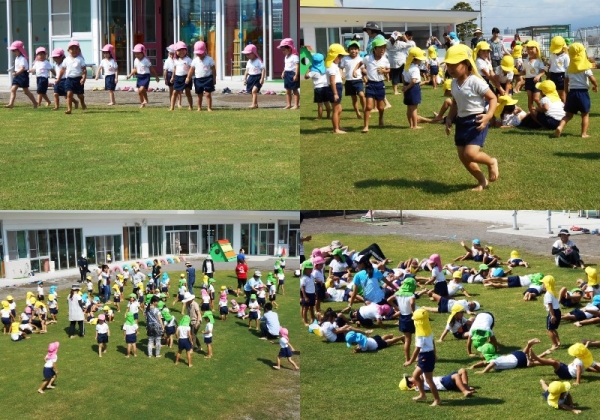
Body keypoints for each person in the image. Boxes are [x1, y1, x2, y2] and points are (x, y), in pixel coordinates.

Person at [444, 43, 499, 191]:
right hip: (461, 122)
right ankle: (482, 181)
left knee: (471, 153)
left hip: (477, 121)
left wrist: (488, 116)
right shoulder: (454, 83)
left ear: (467, 64)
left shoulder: (475, 81)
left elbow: (493, 98)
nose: (450, 69)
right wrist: (449, 118)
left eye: (454, 65)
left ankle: (491, 162)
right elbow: (455, 103)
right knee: (463, 156)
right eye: (448, 65)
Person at [554, 42, 598, 138]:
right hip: (583, 93)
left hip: (572, 93)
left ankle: (560, 127)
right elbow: (592, 79)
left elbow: (566, 81)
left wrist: (566, 92)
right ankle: (583, 133)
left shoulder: (569, 68)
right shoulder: (585, 67)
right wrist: (595, 85)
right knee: (585, 114)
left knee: (568, 115)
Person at [403, 308, 441, 406]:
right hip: (427, 355)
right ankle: (422, 395)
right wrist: (434, 353)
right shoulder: (428, 330)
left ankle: (437, 399)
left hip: (425, 356)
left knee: (429, 380)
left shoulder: (421, 335)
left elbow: (417, 349)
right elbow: (432, 343)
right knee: (415, 376)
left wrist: (410, 361)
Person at [530, 343, 600, 386]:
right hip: (567, 368)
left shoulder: (579, 361)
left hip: (567, 374)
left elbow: (578, 371)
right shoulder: (587, 359)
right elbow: (596, 367)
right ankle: (532, 363)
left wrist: (577, 382)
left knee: (554, 363)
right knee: (552, 360)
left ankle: (536, 358)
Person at [470, 339, 540, 373]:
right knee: (523, 353)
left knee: (533, 362)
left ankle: (544, 359)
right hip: (514, 355)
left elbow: (492, 363)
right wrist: (473, 366)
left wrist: (483, 371)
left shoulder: (493, 361)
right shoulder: (496, 356)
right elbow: (484, 363)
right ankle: (528, 345)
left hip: (517, 362)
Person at [56, 40, 87, 114]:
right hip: (69, 79)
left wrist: (83, 78)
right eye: (72, 49)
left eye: (76, 49)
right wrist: (58, 79)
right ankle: (69, 109)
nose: (74, 50)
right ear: (68, 50)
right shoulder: (66, 60)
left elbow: (84, 70)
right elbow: (62, 70)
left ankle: (82, 102)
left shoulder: (80, 59)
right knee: (69, 94)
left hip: (78, 79)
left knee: (80, 95)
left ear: (79, 50)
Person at [184, 40, 215, 112]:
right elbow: (191, 70)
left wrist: (214, 78)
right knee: (199, 94)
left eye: (200, 53)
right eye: (197, 54)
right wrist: (188, 77)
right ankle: (199, 107)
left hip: (208, 78)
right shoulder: (195, 61)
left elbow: (213, 70)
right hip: (198, 79)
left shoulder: (209, 59)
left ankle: (209, 107)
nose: (199, 55)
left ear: (205, 51)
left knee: (207, 94)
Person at [5, 40, 37, 108]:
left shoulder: (23, 58)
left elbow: (23, 68)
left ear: (19, 50)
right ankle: (11, 104)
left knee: (26, 91)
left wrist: (16, 73)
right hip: (17, 75)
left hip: (23, 75)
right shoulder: (17, 58)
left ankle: (35, 102)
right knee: (13, 89)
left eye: (14, 50)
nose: (13, 52)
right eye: (12, 51)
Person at [400, 368, 475, 397]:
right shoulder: (418, 387)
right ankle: (464, 391)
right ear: (412, 385)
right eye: (409, 378)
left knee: (462, 370)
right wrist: (418, 371)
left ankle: (465, 387)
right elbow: (421, 379)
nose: (411, 376)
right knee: (456, 376)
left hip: (443, 379)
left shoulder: (419, 379)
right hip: (443, 384)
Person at [127, 43, 159, 108]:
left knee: (142, 89)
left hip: (145, 76)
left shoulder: (146, 60)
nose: (137, 55)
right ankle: (142, 103)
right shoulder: (135, 60)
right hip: (139, 76)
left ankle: (146, 99)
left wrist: (156, 77)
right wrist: (130, 75)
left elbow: (151, 69)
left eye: (138, 53)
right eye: (135, 54)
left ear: (143, 53)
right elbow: (135, 69)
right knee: (139, 92)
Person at [325, 43, 348, 134]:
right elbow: (332, 81)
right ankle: (336, 129)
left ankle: (338, 126)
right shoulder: (331, 66)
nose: (341, 58)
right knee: (336, 109)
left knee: (339, 109)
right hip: (333, 88)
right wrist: (335, 93)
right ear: (335, 56)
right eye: (340, 56)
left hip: (337, 87)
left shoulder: (334, 65)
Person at [402, 47, 428, 129]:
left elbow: (402, 76)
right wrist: (408, 87)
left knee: (409, 108)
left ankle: (410, 124)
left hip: (407, 86)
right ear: (415, 59)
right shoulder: (415, 68)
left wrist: (405, 86)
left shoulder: (407, 66)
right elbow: (414, 81)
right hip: (413, 88)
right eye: (419, 59)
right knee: (414, 108)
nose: (421, 61)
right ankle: (415, 125)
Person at [340, 41, 365, 119]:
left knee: (361, 95)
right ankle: (357, 112)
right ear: (348, 50)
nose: (353, 51)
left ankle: (365, 111)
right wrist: (341, 74)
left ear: (358, 50)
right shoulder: (345, 59)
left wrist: (365, 76)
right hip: (349, 81)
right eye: (351, 49)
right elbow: (341, 68)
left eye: (355, 49)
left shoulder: (361, 59)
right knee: (354, 99)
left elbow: (363, 69)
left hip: (358, 80)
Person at [304, 53, 331, 120]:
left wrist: (308, 69)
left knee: (320, 104)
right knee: (327, 102)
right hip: (326, 86)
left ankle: (319, 117)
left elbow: (306, 77)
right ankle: (328, 116)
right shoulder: (326, 68)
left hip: (318, 88)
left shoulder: (313, 71)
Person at [522, 40, 545, 113]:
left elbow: (543, 71)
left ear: (536, 49)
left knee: (536, 99)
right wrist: (517, 73)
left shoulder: (539, 61)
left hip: (536, 81)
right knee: (530, 98)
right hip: (528, 81)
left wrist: (538, 76)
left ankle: (544, 109)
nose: (530, 50)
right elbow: (524, 71)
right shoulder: (525, 61)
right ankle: (532, 114)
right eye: (528, 49)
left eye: (532, 48)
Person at [541, 275, 562, 353]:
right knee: (553, 329)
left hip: (553, 312)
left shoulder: (548, 294)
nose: (542, 285)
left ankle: (554, 344)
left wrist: (552, 315)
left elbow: (550, 305)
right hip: (557, 311)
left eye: (543, 283)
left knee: (549, 329)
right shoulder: (553, 292)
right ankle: (558, 341)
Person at [277, 38, 300, 110]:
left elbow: (297, 66)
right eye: (282, 50)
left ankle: (296, 105)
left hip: (292, 74)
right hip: (287, 73)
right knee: (287, 90)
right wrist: (283, 72)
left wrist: (296, 75)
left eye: (284, 50)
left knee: (294, 90)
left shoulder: (295, 56)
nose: (283, 51)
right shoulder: (286, 57)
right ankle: (288, 104)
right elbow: (286, 66)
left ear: (290, 48)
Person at [242, 44, 265, 109]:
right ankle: (255, 103)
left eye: (248, 54)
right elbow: (247, 70)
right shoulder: (249, 62)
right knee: (251, 91)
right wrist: (245, 79)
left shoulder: (258, 61)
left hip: (258, 77)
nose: (247, 56)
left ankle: (254, 104)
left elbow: (263, 69)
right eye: (246, 55)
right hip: (251, 77)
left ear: (254, 53)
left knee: (254, 91)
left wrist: (262, 78)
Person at [548, 36, 569, 103]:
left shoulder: (565, 56)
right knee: (553, 94)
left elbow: (567, 68)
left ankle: (564, 109)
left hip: (561, 76)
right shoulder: (552, 55)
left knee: (562, 94)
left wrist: (566, 78)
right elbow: (550, 65)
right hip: (552, 75)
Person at [300, 261, 316, 326]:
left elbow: (313, 284)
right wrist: (305, 297)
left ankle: (312, 319)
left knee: (312, 307)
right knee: (306, 308)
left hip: (312, 294)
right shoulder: (304, 278)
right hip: (307, 294)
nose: (311, 270)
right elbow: (302, 288)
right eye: (309, 269)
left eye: (311, 269)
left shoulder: (311, 276)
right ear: (305, 269)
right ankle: (305, 321)